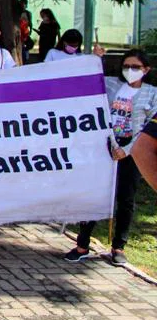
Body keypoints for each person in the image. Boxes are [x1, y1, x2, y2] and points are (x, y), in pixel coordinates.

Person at [65, 50, 157, 265]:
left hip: (132, 152)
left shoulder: (153, 94)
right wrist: (94, 58)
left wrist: (127, 149)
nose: (130, 71)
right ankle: (82, 243)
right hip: (103, 147)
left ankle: (119, 247)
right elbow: (87, 79)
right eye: (126, 66)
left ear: (146, 70)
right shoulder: (111, 85)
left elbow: (148, 128)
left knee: (125, 199)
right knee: (94, 194)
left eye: (135, 67)